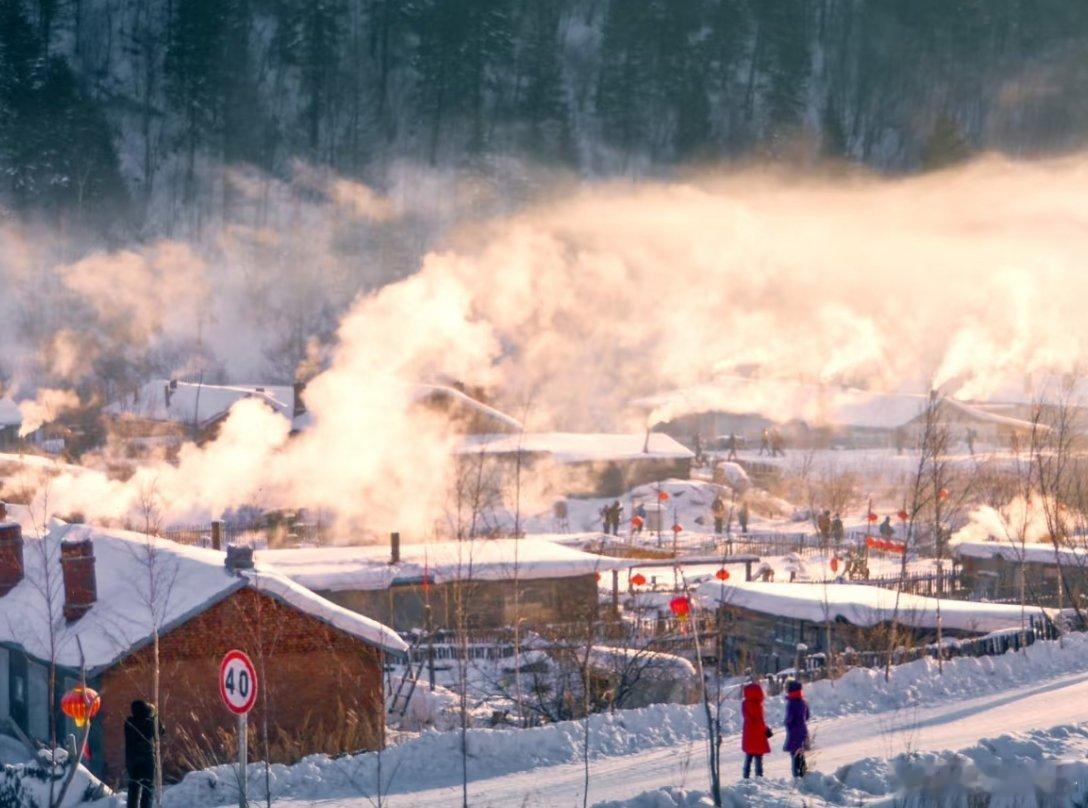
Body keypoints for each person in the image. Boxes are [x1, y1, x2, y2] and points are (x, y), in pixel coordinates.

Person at [125, 699, 162, 808]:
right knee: (148, 787)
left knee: (133, 787)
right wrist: (155, 715)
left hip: (132, 760)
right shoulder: (150, 722)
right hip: (147, 759)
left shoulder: (128, 723)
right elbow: (161, 731)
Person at [741, 680, 771, 779]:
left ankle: (746, 777)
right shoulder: (757, 705)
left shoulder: (745, 703)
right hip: (758, 735)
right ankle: (759, 777)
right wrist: (766, 730)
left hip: (748, 734)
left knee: (748, 756)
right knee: (758, 757)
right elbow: (759, 721)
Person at [783, 681, 809, 778]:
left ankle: (796, 777)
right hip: (803, 731)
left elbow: (790, 718)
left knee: (794, 756)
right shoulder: (803, 702)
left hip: (794, 733)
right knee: (801, 755)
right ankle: (804, 775)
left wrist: (786, 723)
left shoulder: (791, 704)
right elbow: (807, 716)